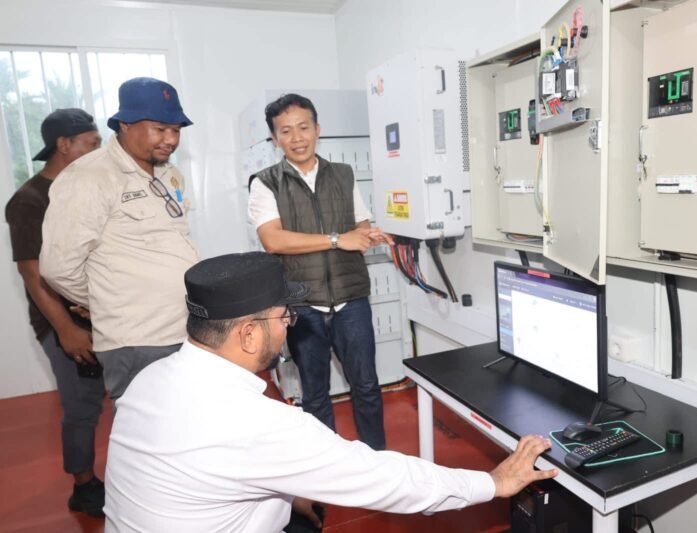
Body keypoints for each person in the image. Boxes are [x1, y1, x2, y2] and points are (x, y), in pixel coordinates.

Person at [103, 252, 558, 532]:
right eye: (284, 316)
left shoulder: (150, 379)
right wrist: (493, 483)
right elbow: (384, 480)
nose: (289, 326)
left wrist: (290, 488)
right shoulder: (254, 424)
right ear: (248, 334)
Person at [248, 93, 392, 450]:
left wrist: (367, 234)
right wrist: (337, 240)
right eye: (285, 131)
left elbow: (360, 223)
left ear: (317, 129)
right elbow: (273, 239)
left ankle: (377, 459)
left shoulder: (343, 174)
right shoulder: (265, 182)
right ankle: (325, 463)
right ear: (274, 138)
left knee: (367, 386)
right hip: (303, 305)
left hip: (351, 298)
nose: (297, 138)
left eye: (303, 127)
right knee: (315, 393)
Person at [40, 77, 198, 402]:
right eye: (160, 129)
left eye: (176, 130)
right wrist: (105, 298)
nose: (171, 139)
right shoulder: (89, 177)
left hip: (185, 328)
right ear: (125, 125)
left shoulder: (169, 173)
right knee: (147, 428)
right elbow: (57, 267)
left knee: (187, 422)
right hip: (137, 339)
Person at [4, 108, 106, 517]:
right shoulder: (28, 202)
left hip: (104, 313)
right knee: (82, 406)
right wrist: (66, 329)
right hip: (63, 322)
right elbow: (32, 274)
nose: (99, 152)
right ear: (65, 146)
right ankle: (84, 485)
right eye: (92, 144)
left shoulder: (88, 190)